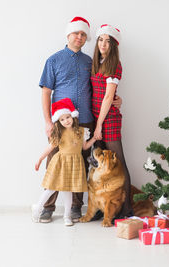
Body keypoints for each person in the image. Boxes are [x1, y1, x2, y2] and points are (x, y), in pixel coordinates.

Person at [38, 17, 122, 223]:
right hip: (61, 121)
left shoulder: (89, 62)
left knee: (82, 164)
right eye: (76, 33)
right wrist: (49, 122)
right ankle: (47, 207)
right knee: (55, 163)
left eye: (84, 34)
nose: (80, 37)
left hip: (85, 120)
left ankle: (76, 206)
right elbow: (46, 92)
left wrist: (117, 99)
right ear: (68, 35)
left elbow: (102, 88)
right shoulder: (53, 60)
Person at [32, 98, 97, 226]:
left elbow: (84, 147)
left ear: (72, 116)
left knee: (69, 191)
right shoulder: (59, 132)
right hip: (61, 163)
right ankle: (37, 210)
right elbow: (50, 147)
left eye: (68, 117)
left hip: (75, 164)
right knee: (50, 189)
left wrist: (94, 138)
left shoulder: (81, 131)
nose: (66, 121)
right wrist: (40, 159)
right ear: (59, 121)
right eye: (62, 119)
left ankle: (67, 216)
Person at [91, 24, 133, 218]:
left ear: (114, 45)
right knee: (100, 165)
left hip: (108, 120)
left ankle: (126, 210)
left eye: (108, 41)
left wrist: (99, 126)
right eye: (101, 40)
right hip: (96, 116)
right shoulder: (98, 61)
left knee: (119, 164)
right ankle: (103, 207)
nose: (103, 44)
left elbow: (108, 98)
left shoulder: (114, 64)